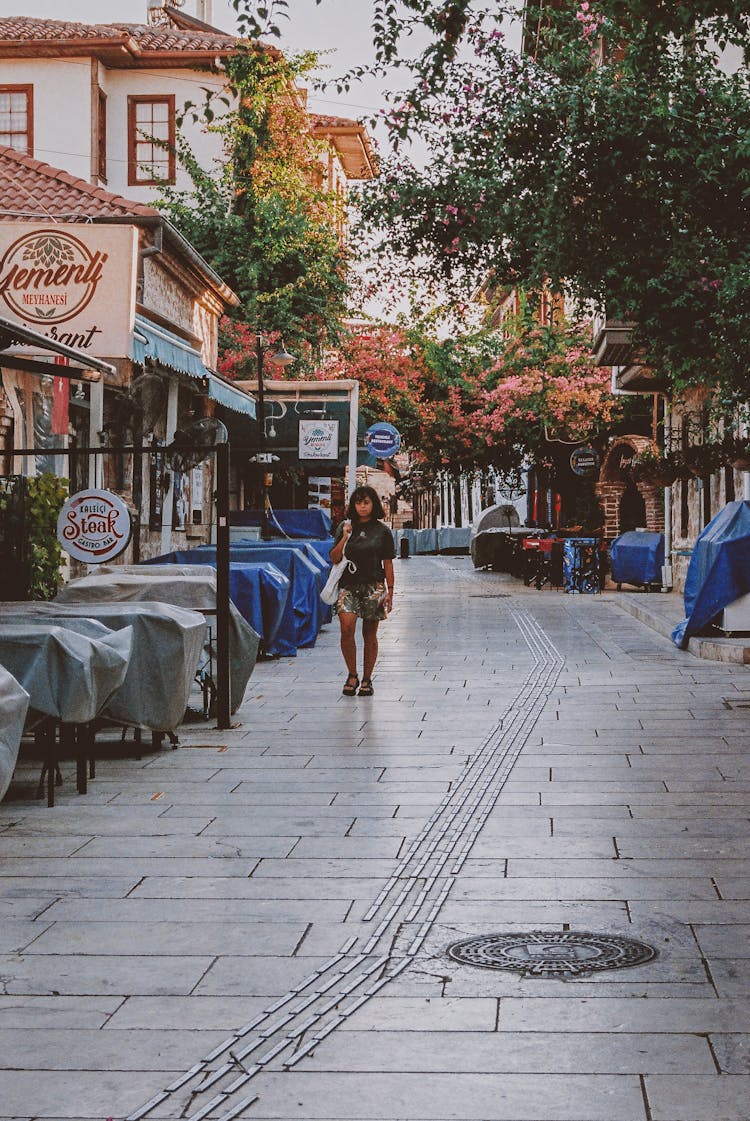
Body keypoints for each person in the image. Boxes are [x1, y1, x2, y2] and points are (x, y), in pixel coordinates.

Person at [329, 485, 396, 696]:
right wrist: (344, 537)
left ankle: (367, 678)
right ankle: (352, 674)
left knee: (370, 633)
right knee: (346, 627)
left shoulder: (382, 531)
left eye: (366, 502)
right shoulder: (345, 527)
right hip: (348, 585)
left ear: (373, 504)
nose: (362, 507)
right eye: (358, 502)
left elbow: (388, 564)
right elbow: (334, 557)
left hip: (373, 586)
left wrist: (390, 592)